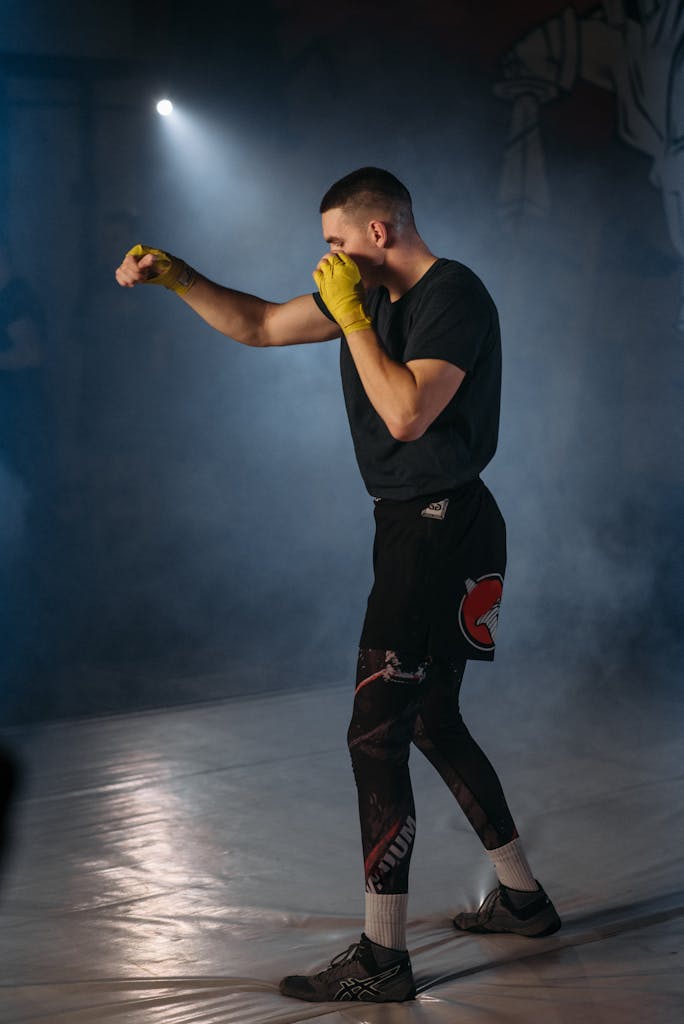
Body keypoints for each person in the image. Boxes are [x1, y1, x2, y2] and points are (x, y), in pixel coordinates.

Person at [115, 166, 560, 1004]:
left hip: (442, 527)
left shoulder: (452, 296)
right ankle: (523, 900)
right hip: (415, 526)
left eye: (336, 243)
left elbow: (404, 415)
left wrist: (355, 319)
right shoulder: (360, 295)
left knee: (374, 735)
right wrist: (178, 275)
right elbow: (253, 324)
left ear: (379, 234)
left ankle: (382, 957)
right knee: (429, 717)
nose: (327, 260)